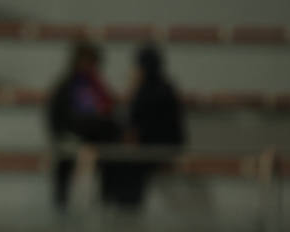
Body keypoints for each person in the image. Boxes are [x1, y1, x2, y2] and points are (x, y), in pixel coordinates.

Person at [46, 40, 122, 210]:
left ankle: (105, 202)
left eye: (94, 63)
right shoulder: (70, 86)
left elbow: (107, 110)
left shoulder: (95, 86)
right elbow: (66, 120)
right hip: (71, 140)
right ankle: (63, 208)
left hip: (93, 144)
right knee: (67, 174)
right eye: (90, 62)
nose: (92, 67)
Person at [110, 43, 186, 210]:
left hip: (155, 148)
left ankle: (124, 209)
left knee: (119, 161)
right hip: (166, 145)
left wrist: (133, 89)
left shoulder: (147, 91)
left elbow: (133, 126)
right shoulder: (166, 87)